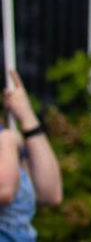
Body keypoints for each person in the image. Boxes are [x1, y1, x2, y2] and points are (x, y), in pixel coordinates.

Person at [0, 69, 62, 242]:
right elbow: (4, 191)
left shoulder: (5, 135)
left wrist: (27, 118)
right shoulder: (6, 141)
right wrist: (8, 144)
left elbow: (50, 193)